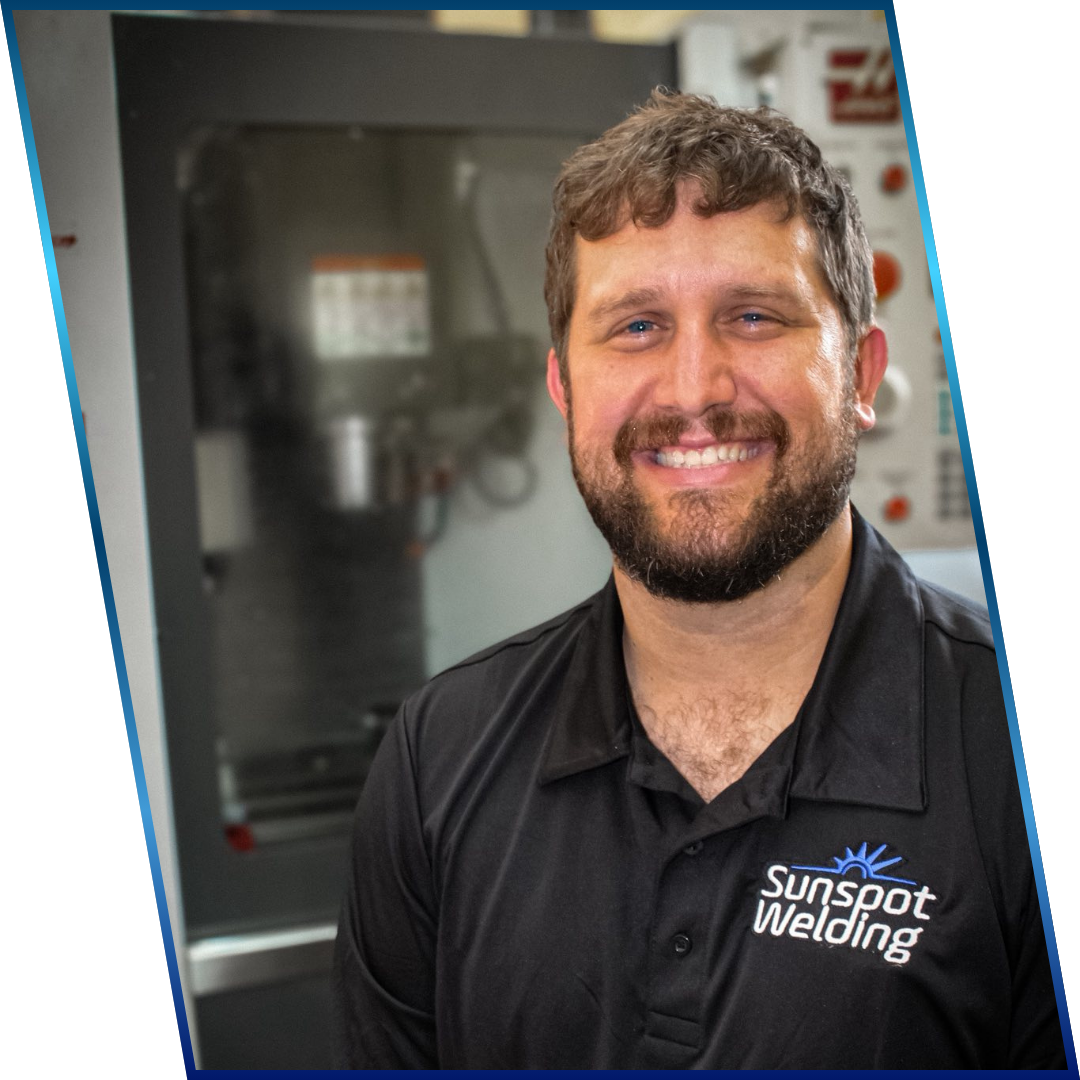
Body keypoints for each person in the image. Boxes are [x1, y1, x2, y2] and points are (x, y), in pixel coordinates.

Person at [333, 90, 1066, 1069]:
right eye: (636, 327)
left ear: (860, 373)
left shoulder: (1022, 754)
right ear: (564, 388)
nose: (694, 391)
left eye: (755, 316)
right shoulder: (437, 761)